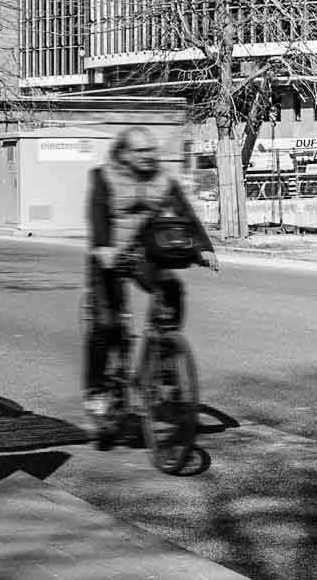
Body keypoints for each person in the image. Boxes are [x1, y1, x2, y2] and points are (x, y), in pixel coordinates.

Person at [83, 127, 218, 427]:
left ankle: (164, 353)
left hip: (143, 254)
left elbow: (186, 217)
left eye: (150, 151)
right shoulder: (104, 177)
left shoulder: (163, 180)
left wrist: (203, 249)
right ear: (125, 153)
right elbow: (97, 216)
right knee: (106, 324)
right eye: (140, 152)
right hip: (109, 257)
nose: (148, 157)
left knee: (171, 287)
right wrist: (103, 248)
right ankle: (97, 389)